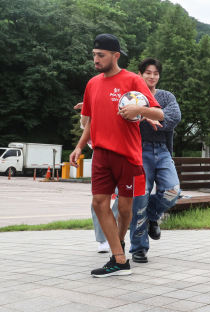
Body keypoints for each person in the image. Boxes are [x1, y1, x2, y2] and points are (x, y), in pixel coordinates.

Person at [70, 33, 163, 277]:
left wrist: (139, 109)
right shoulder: (92, 84)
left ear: (116, 56)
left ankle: (118, 248)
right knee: (99, 203)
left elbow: (158, 114)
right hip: (101, 153)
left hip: (128, 155)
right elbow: (91, 121)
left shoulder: (132, 80)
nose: (96, 60)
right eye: (94, 55)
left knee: (124, 209)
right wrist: (79, 146)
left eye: (101, 55)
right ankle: (119, 258)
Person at [112, 58, 182, 264]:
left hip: (162, 151)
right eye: (148, 73)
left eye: (156, 73)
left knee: (172, 191)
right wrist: (145, 114)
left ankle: (152, 216)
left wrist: (140, 112)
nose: (152, 76)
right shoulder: (131, 96)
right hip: (137, 151)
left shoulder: (166, 96)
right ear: (140, 74)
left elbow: (172, 118)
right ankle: (139, 248)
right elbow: (121, 117)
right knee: (139, 198)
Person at [73, 102, 119, 254]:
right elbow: (86, 124)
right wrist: (88, 108)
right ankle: (102, 239)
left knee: (126, 198)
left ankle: (113, 228)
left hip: (121, 155)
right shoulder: (90, 115)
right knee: (98, 201)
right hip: (100, 156)